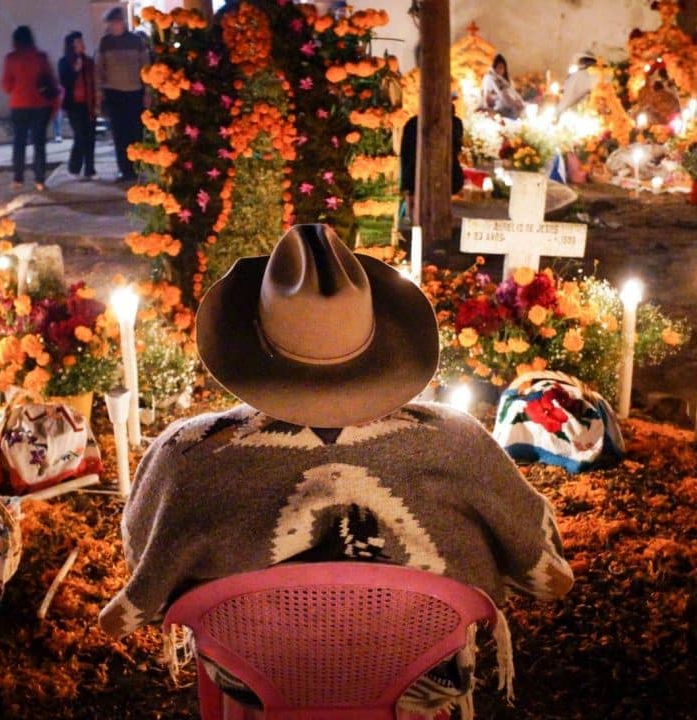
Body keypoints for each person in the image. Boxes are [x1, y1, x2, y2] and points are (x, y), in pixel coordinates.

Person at [101, 224, 574, 717]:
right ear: (380, 339)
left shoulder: (186, 456)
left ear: (248, 340)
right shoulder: (459, 444)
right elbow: (544, 573)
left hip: (254, 685)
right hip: (420, 683)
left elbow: (148, 585)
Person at [97, 7, 149, 182]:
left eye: (116, 22)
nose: (114, 26)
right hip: (115, 94)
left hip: (134, 92)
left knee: (135, 132)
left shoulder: (136, 41)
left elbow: (145, 67)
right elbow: (99, 69)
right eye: (111, 23)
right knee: (119, 135)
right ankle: (124, 170)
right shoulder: (105, 43)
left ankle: (136, 168)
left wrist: (147, 92)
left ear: (122, 23)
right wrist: (100, 93)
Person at [1, 25, 56, 190]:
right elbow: (50, 79)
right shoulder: (41, 57)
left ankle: (18, 178)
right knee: (39, 143)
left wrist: (16, 89)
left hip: (19, 105)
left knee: (19, 142)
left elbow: (5, 85)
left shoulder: (11, 58)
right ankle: (40, 180)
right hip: (40, 105)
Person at [399, 110, 464, 223]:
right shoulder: (455, 123)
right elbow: (457, 146)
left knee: (417, 193)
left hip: (415, 170)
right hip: (440, 170)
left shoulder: (413, 122)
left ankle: (415, 217)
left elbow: (405, 150)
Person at [59, 31, 97, 179]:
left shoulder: (88, 61)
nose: (82, 45)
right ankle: (74, 167)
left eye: (82, 41)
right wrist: (75, 71)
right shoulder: (64, 62)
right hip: (74, 105)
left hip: (89, 103)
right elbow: (64, 83)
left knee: (90, 137)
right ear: (72, 46)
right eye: (78, 43)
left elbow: (94, 80)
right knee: (80, 136)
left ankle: (90, 169)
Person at [481, 54, 524, 119]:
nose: (501, 70)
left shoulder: (502, 79)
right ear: (494, 67)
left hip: (507, 108)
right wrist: (515, 104)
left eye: (503, 68)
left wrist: (519, 101)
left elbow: (511, 92)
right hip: (499, 110)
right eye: (499, 67)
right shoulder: (492, 78)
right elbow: (503, 94)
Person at [556, 52, 598, 116]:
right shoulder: (577, 75)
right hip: (580, 110)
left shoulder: (580, 76)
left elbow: (568, 97)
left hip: (583, 112)